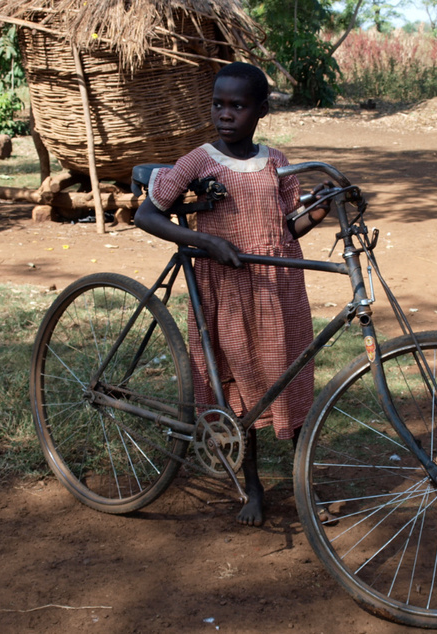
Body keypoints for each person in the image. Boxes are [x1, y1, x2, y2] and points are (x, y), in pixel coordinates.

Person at [134, 62, 329, 527]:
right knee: (241, 386)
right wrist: (205, 242)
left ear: (260, 110)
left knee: (290, 374)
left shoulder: (277, 161)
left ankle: (305, 485)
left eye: (238, 106)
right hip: (226, 287)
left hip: (279, 288)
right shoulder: (199, 160)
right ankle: (254, 487)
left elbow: (288, 226)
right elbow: (148, 214)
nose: (226, 114)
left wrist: (318, 211)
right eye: (219, 104)